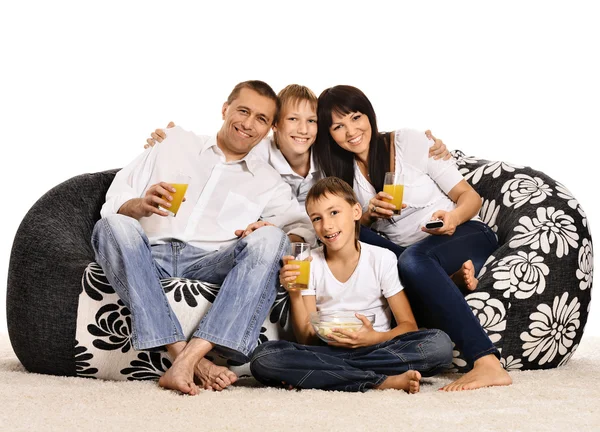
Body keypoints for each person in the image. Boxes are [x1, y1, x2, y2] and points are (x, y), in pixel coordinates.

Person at [92, 80, 316, 395]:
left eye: (261, 119)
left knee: (272, 239)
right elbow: (115, 198)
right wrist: (139, 205)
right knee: (113, 225)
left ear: (269, 129)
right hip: (148, 254)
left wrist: (266, 227)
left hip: (211, 262)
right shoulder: (173, 142)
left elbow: (304, 229)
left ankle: (190, 355)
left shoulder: (269, 182)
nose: (249, 124)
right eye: (243, 111)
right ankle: (189, 359)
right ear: (225, 110)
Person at [311, 85, 512, 391]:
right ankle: (449, 280)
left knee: (414, 259)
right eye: (339, 126)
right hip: (407, 255)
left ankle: (487, 362)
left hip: (462, 234)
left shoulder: (409, 142)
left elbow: (469, 197)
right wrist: (368, 215)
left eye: (356, 117)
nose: (351, 131)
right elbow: (348, 226)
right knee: (360, 235)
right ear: (330, 134)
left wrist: (453, 219)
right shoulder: (343, 172)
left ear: (369, 115)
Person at [143, 84, 453, 256]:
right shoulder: (257, 153)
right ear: (274, 125)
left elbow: (365, 138)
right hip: (271, 239)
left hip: (322, 237)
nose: (303, 130)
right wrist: (170, 138)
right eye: (292, 120)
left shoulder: (330, 156)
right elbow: (220, 151)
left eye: (312, 121)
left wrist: (426, 144)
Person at [250, 177, 453, 393]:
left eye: (334, 212)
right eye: (316, 218)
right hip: (328, 351)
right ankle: (379, 381)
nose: (326, 225)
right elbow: (307, 339)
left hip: (380, 348)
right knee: (264, 358)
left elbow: (408, 326)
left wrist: (374, 338)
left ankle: (326, 376)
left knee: (439, 345)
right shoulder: (308, 262)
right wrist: (295, 292)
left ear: (356, 212)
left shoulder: (381, 258)